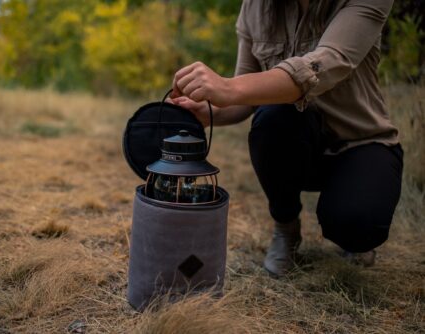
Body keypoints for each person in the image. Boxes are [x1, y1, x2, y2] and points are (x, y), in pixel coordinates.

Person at [169, 0, 403, 277]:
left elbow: (322, 66)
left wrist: (228, 87)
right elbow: (246, 95)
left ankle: (351, 225)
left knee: (356, 225)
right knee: (274, 117)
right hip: (296, 143)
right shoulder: (255, 6)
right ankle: (286, 227)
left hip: (360, 142)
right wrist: (210, 113)